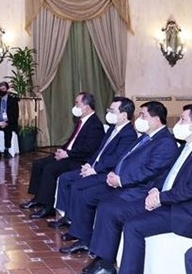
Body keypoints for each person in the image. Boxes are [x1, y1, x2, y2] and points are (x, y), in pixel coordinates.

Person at [74, 105, 192, 274]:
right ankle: (105, 262)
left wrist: (161, 198)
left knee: (134, 226)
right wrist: (155, 190)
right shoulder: (186, 147)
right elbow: (168, 175)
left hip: (187, 211)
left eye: (182, 120)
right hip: (168, 201)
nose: (177, 123)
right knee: (112, 209)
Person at [62, 101, 178, 256]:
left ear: (156, 119)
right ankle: (84, 239)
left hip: (136, 188)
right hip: (120, 181)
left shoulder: (165, 142)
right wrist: (114, 173)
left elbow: (149, 171)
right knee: (85, 195)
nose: (139, 119)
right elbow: (125, 157)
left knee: (105, 205)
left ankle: (102, 257)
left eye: (143, 115)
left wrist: (121, 179)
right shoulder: (145, 137)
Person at [49, 97, 137, 230]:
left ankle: (76, 223)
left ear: (124, 115)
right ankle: (67, 216)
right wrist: (89, 165)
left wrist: (95, 170)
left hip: (106, 172)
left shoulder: (128, 134)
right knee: (65, 178)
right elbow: (99, 151)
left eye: (112, 111)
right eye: (109, 110)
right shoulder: (112, 128)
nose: (109, 113)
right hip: (95, 167)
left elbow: (116, 158)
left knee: (77, 185)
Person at [19, 92, 105, 219]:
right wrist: (61, 150)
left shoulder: (95, 125)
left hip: (79, 160)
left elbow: (89, 149)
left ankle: (48, 206)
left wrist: (67, 154)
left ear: (86, 107)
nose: (75, 106)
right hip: (69, 154)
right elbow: (72, 140)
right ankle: (38, 198)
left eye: (77, 103)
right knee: (39, 164)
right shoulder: (81, 121)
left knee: (51, 169)